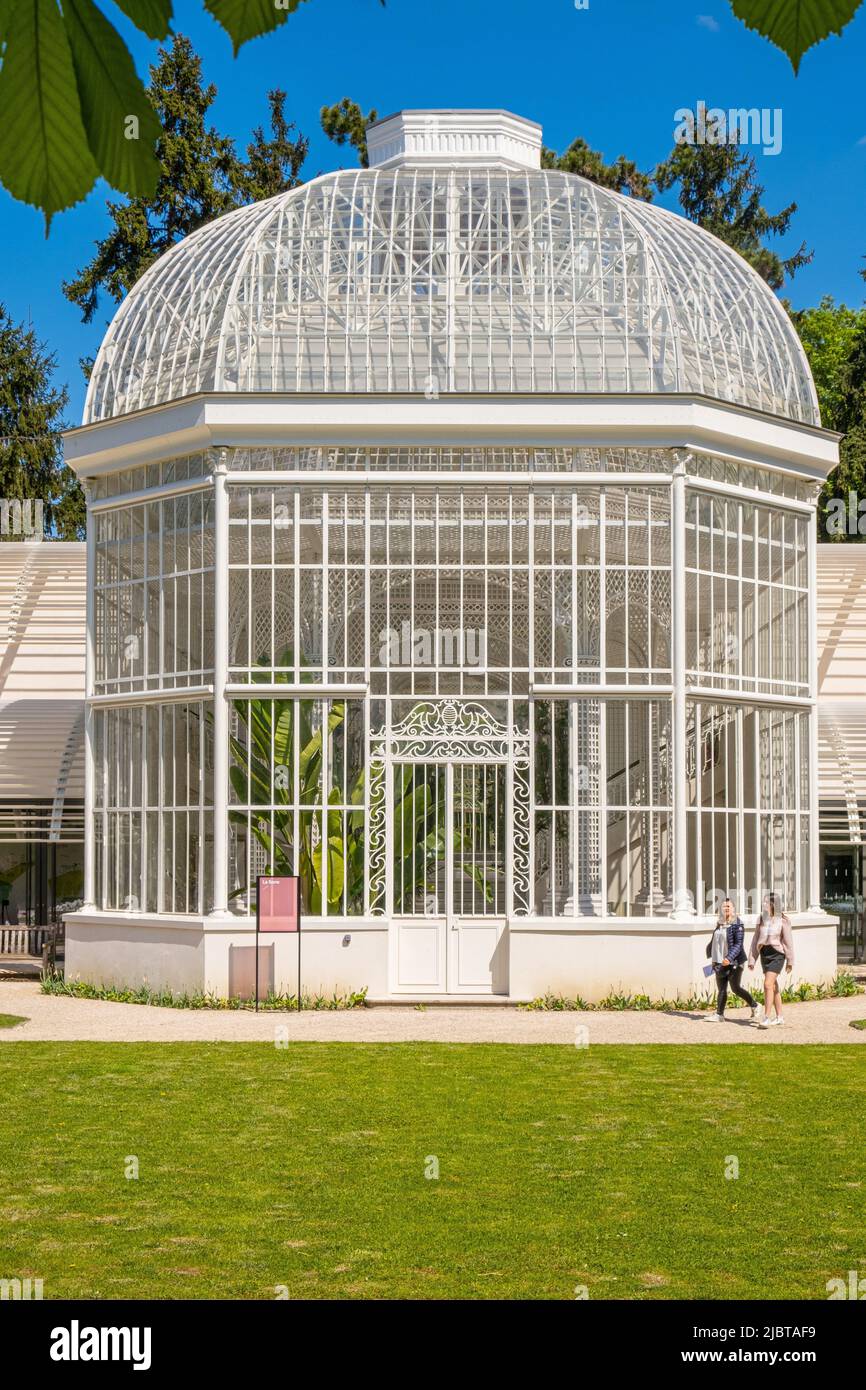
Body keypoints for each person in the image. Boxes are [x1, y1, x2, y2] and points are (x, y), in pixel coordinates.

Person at [706, 897, 759, 1022]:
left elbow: (738, 944)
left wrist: (729, 958)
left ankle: (755, 1005)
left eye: (728, 906)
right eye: (724, 906)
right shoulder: (720, 923)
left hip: (734, 962)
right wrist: (714, 959)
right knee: (722, 989)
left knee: (735, 988)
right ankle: (719, 1015)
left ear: (734, 909)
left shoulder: (737, 924)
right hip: (719, 961)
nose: (726, 908)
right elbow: (715, 942)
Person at [748, 892, 793, 1029]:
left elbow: (788, 942)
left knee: (768, 984)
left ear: (774, 905)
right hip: (764, 954)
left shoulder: (783, 920)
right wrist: (752, 958)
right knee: (773, 986)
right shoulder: (761, 919)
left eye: (766, 902)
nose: (763, 905)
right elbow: (755, 939)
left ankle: (766, 1017)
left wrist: (790, 961)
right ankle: (779, 1017)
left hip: (777, 954)